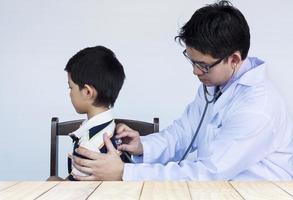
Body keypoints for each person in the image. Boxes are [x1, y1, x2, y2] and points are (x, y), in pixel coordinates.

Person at [71, 1, 293, 181]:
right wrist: (142, 146)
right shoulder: (215, 86)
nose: (196, 72)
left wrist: (124, 172)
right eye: (192, 61)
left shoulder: (258, 107)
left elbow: (209, 172)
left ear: (234, 59)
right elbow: (183, 134)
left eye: (203, 65)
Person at [64, 45, 125, 180]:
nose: (70, 93)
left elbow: (77, 191)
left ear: (87, 92)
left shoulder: (89, 145)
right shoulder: (113, 128)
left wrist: (56, 183)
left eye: (71, 87)